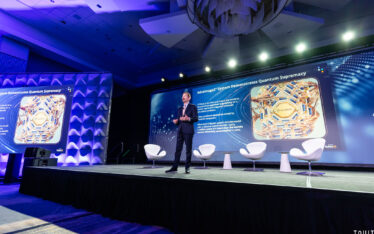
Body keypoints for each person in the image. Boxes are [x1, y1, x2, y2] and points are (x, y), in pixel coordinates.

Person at [165, 91, 198, 174]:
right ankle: (174, 167)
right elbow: (179, 120)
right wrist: (176, 122)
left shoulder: (192, 107)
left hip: (188, 131)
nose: (182, 97)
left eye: (184, 96)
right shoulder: (180, 109)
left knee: (188, 150)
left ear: (189, 98)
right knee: (177, 150)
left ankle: (187, 168)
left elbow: (196, 118)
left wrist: (189, 119)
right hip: (180, 131)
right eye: (182, 96)